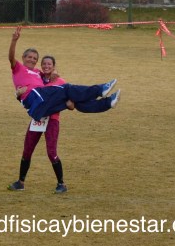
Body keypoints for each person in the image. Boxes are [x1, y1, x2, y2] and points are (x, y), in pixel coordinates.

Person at [8, 28, 119, 121]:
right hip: (36, 100)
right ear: (23, 57)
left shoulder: (37, 73)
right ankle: (100, 89)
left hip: (43, 105)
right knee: (67, 89)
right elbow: (11, 58)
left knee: (75, 101)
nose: (32, 60)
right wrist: (14, 41)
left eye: (35, 58)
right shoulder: (19, 68)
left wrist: (55, 72)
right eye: (29, 57)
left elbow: (49, 75)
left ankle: (108, 103)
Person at [9, 54, 69, 193]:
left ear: (54, 66)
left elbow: (67, 101)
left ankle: (62, 184)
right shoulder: (38, 78)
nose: (46, 66)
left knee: (51, 152)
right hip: (37, 119)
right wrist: (18, 94)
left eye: (49, 64)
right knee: (27, 150)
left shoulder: (60, 81)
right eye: (44, 64)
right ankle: (20, 182)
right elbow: (25, 95)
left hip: (52, 119)